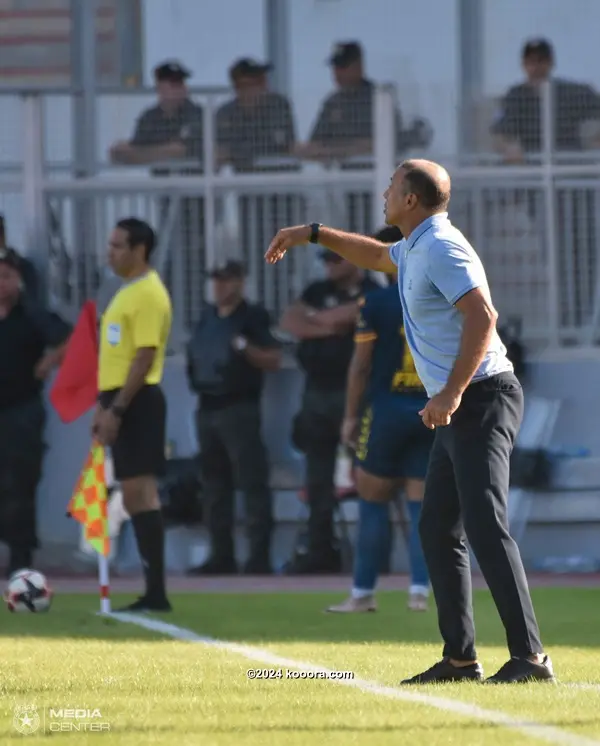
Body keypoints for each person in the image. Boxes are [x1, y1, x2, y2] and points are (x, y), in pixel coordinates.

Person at [265, 159, 553, 685]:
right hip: (462, 402)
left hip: (482, 398)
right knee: (438, 526)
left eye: (392, 186)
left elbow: (483, 316)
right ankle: (462, 659)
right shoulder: (414, 245)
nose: (384, 192)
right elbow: (374, 253)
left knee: (485, 526)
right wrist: (310, 234)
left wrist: (451, 391)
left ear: (412, 200)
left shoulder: (442, 247)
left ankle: (531, 659)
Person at [326, 226, 433, 614]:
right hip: (430, 411)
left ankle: (362, 593)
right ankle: (420, 591)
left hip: (386, 412)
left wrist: (351, 417)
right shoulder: (440, 299)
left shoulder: (375, 304)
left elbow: (359, 368)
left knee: (372, 502)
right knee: (421, 507)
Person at [280, 250, 380, 574]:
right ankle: (320, 550)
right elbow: (290, 321)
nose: (329, 267)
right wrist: (330, 325)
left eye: (336, 260)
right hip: (317, 393)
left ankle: (373, 554)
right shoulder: (315, 291)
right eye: (326, 261)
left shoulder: (373, 291)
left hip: (358, 392)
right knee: (317, 477)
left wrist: (318, 319)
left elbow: (354, 314)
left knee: (371, 475)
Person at [94, 218, 172, 613]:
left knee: (140, 492)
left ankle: (155, 591)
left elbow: (144, 356)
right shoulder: (126, 292)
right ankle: (152, 590)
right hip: (120, 401)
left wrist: (118, 409)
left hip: (137, 402)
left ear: (139, 249)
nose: (110, 253)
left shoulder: (148, 294)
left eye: (117, 245)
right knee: (132, 493)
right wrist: (102, 406)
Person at [185, 260, 281, 575]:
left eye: (226, 280)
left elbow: (272, 359)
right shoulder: (207, 318)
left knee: (252, 482)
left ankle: (258, 557)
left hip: (239, 408)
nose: (220, 286)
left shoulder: (251, 318)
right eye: (216, 280)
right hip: (207, 406)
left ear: (240, 281)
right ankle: (220, 555)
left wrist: (244, 348)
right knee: (214, 487)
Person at [0, 248, 71, 577]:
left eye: (6, 277)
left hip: (20, 413)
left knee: (20, 485)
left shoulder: (32, 314)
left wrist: (50, 360)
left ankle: (20, 558)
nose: (1, 284)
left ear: (18, 281)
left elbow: (72, 338)